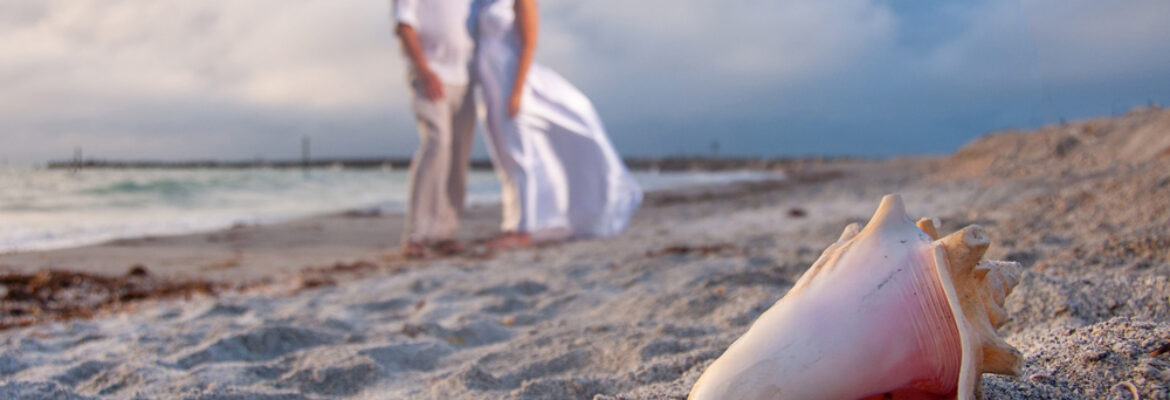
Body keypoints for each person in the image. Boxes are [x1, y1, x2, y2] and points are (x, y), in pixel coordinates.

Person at [475, 0, 642, 248]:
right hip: (489, 84)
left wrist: (517, 90)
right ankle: (518, 223)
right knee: (504, 157)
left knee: (519, 152)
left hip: (512, 80)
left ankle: (524, 230)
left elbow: (529, 42)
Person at [392, 0, 478, 258]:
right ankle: (418, 234)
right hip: (430, 74)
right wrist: (423, 70)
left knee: (458, 154)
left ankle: (445, 232)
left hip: (465, 79)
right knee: (437, 143)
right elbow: (403, 25)